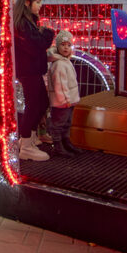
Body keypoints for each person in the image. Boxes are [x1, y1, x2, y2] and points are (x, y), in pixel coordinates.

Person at [12, 0, 54, 162]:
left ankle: (29, 138)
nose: (40, 5)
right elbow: (36, 45)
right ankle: (26, 145)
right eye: (38, 2)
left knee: (41, 102)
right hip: (28, 70)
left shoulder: (27, 21)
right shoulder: (22, 24)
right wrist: (48, 34)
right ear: (27, 3)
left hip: (31, 69)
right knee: (34, 104)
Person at [46, 29, 82, 157]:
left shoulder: (65, 61)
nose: (66, 48)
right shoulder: (60, 64)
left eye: (68, 45)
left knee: (67, 122)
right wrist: (64, 100)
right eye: (63, 44)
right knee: (59, 123)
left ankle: (65, 142)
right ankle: (58, 146)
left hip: (69, 100)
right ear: (57, 46)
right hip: (63, 102)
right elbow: (60, 85)